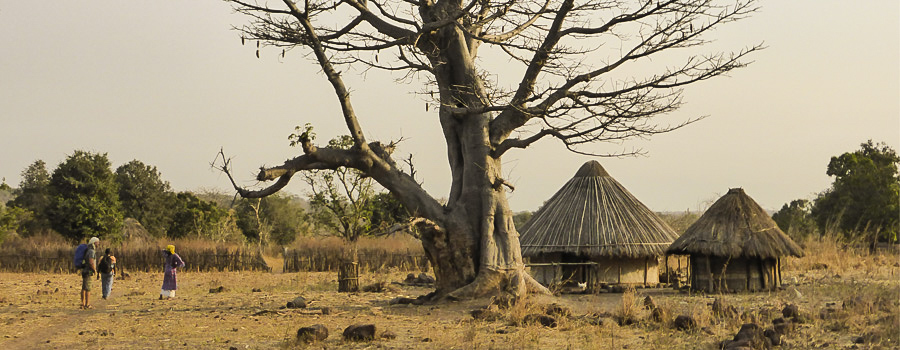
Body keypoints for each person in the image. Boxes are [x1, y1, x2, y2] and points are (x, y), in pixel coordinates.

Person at [81, 237, 99, 309]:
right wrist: (95, 270)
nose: (98, 244)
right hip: (88, 271)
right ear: (94, 243)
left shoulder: (87, 250)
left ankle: (83, 303)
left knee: (84, 288)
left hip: (85, 270)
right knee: (88, 288)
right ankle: (87, 304)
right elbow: (91, 262)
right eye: (97, 242)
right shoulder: (91, 251)